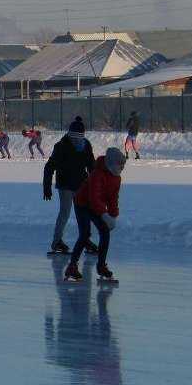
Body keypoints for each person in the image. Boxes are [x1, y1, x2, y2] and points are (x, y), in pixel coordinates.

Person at [65, 147, 126, 284]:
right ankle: (72, 266)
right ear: (111, 164)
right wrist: (105, 215)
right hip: (82, 203)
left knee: (105, 232)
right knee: (85, 234)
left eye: (123, 165)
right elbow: (94, 198)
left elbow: (113, 198)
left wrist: (113, 215)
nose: (122, 168)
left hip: (96, 206)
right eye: (120, 165)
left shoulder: (117, 178)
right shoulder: (97, 174)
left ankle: (101, 266)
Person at [43, 116, 97, 255]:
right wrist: (47, 187)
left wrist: (95, 183)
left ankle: (85, 240)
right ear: (70, 135)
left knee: (83, 214)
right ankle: (56, 242)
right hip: (65, 186)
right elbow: (49, 167)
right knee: (65, 213)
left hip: (81, 186)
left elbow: (92, 166)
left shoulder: (86, 145)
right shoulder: (61, 146)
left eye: (79, 138)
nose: (77, 141)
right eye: (74, 138)